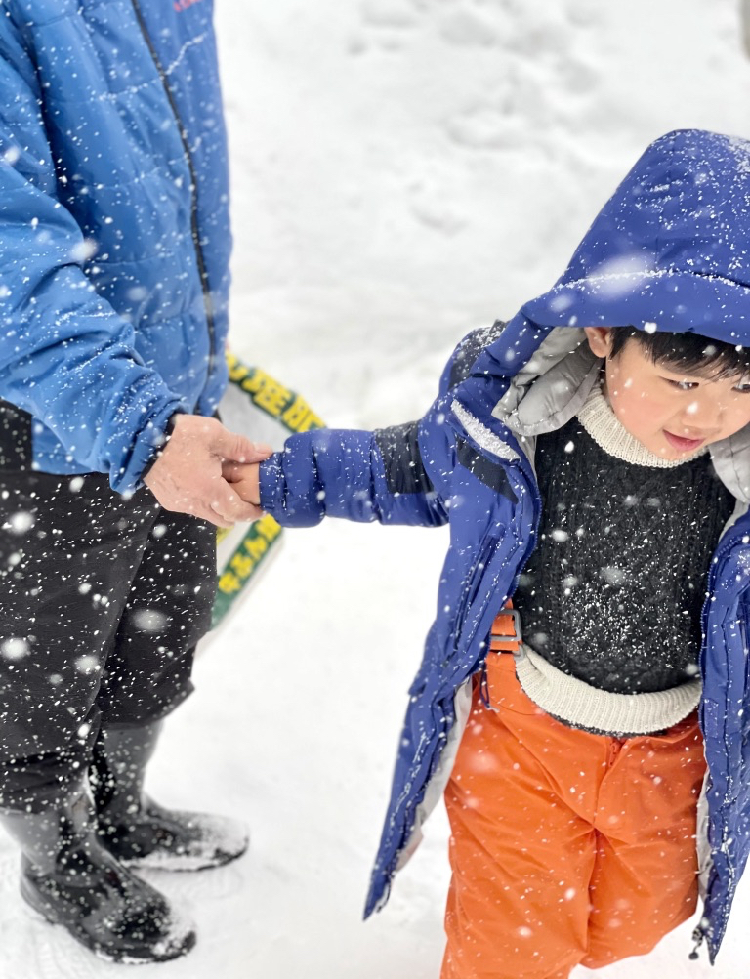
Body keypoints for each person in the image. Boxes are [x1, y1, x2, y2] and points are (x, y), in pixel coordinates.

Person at [226, 128, 750, 977]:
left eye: (741, 387)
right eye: (682, 381)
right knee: (510, 943)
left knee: (634, 923)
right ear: (602, 332)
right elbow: (403, 466)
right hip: (523, 728)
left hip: (672, 746)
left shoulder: (741, 475)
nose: (706, 414)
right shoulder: (521, 431)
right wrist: (282, 476)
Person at [0, 0, 269, 965]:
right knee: (38, 666)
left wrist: (181, 392)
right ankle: (54, 852)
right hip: (40, 415)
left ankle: (117, 805)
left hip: (167, 378)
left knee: (160, 624)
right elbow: (4, 261)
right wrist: (141, 429)